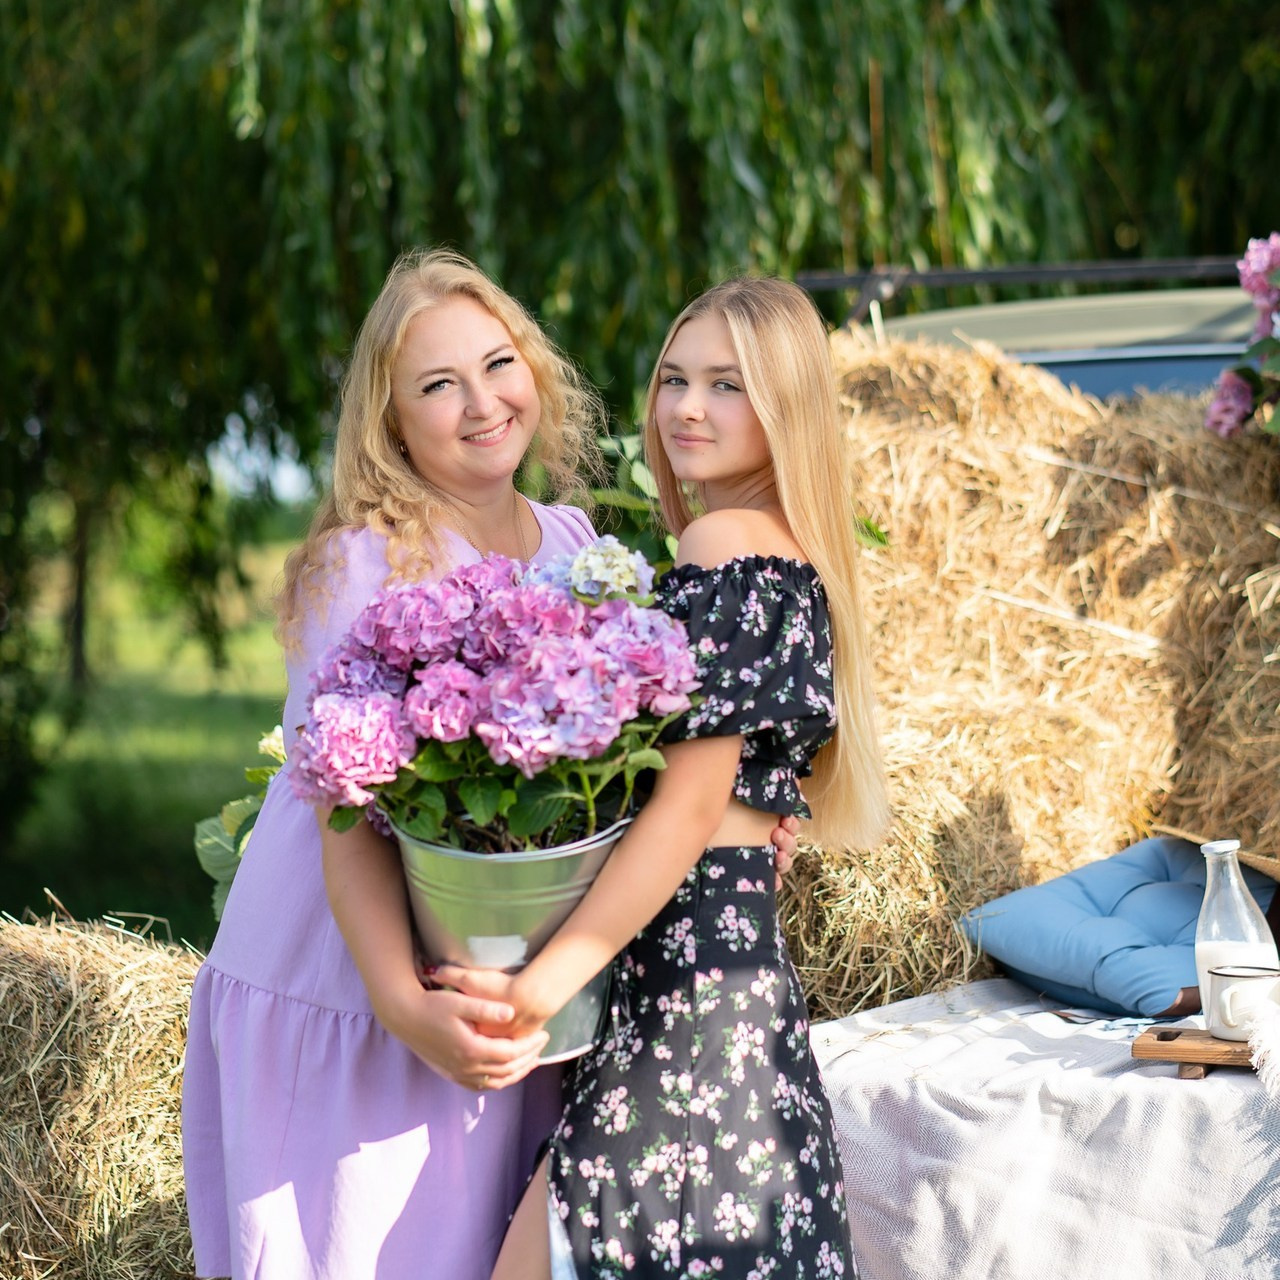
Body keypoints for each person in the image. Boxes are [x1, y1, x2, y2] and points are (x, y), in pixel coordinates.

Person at [181, 248, 802, 1280]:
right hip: (357, 990)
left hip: (507, 988)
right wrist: (404, 1005)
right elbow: (343, 809)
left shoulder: (576, 541)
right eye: (436, 384)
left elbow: (641, 765)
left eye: (498, 363)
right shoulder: (367, 559)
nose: (481, 402)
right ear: (389, 422)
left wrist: (738, 821)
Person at [439, 275, 891, 1279]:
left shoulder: (719, 540)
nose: (686, 407)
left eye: (726, 385)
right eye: (674, 377)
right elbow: (740, 795)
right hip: (733, 1011)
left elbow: (688, 806)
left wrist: (539, 983)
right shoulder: (788, 556)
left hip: (683, 1015)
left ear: (784, 410)